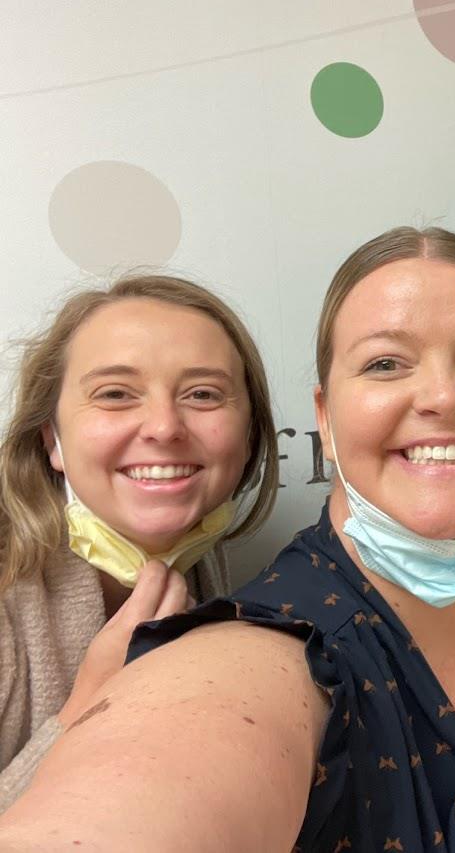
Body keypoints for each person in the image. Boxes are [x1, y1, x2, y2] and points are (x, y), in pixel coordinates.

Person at [0, 227, 455, 853]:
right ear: (325, 419)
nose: (442, 396)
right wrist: (77, 717)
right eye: (384, 363)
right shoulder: (263, 650)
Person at [0, 274, 279, 809]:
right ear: (51, 439)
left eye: (202, 394)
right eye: (115, 394)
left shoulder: (203, 557)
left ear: (248, 437)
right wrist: (89, 703)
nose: (164, 427)